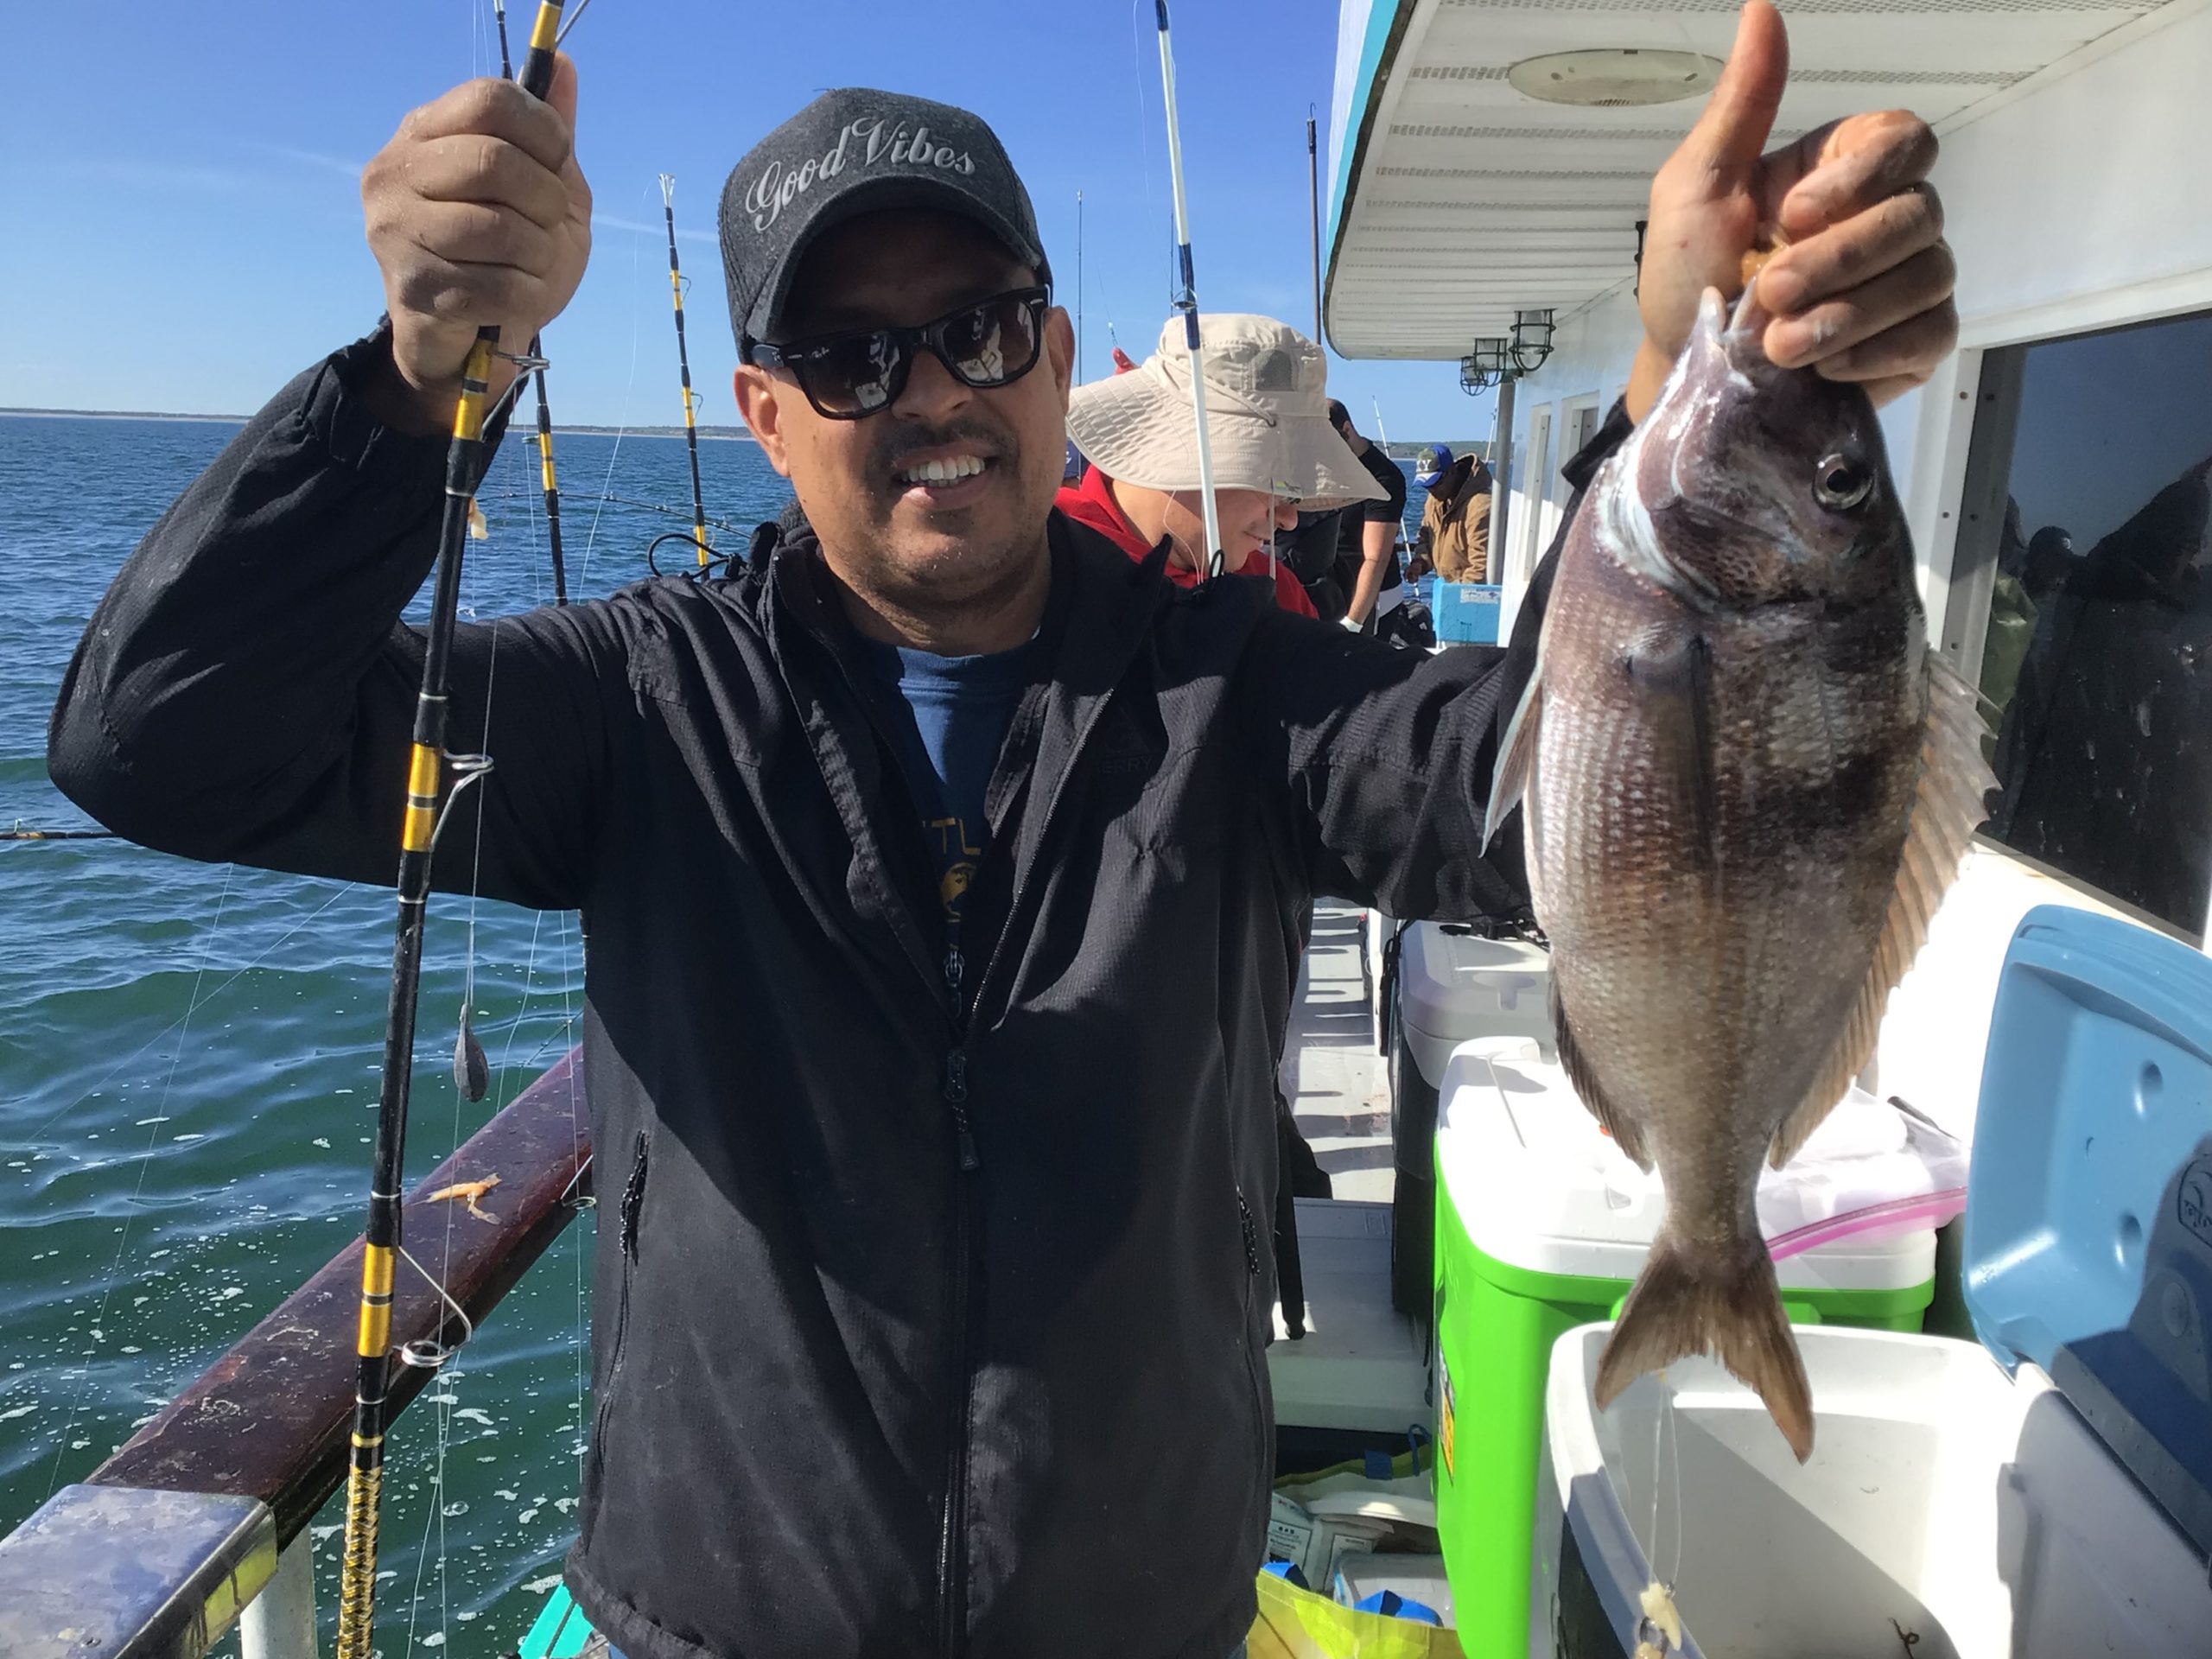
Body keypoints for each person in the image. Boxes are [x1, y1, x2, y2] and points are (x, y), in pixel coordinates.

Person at [48, 1, 1961, 1649]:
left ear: (1058, 363)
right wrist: (410, 391)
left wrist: (1689, 371)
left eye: (975, 327)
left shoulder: (1242, 689)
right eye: (853, 357)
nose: (931, 396)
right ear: (765, 414)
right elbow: (164, 740)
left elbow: (1538, 800)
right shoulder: (628, 708)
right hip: (715, 1621)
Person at [1055, 313, 1384, 619]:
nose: (1289, 519)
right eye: (1275, 483)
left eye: (1293, 494)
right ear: (1178, 450)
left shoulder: (1277, 593)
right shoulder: (1037, 557)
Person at [1326, 399, 1408, 631]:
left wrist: (1353, 622)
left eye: (1331, 445)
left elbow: (1376, 558)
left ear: (1347, 430)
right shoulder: (1325, 467)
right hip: (1332, 588)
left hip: (1374, 596)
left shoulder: (1385, 478)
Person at [1412, 446, 1493, 585]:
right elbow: (1426, 535)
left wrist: (1454, 595)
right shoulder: (1434, 501)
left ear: (1451, 472)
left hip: (1472, 593)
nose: (1432, 491)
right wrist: (1420, 562)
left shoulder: (1481, 506)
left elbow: (1481, 566)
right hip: (1447, 586)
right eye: (1427, 486)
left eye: (1436, 483)